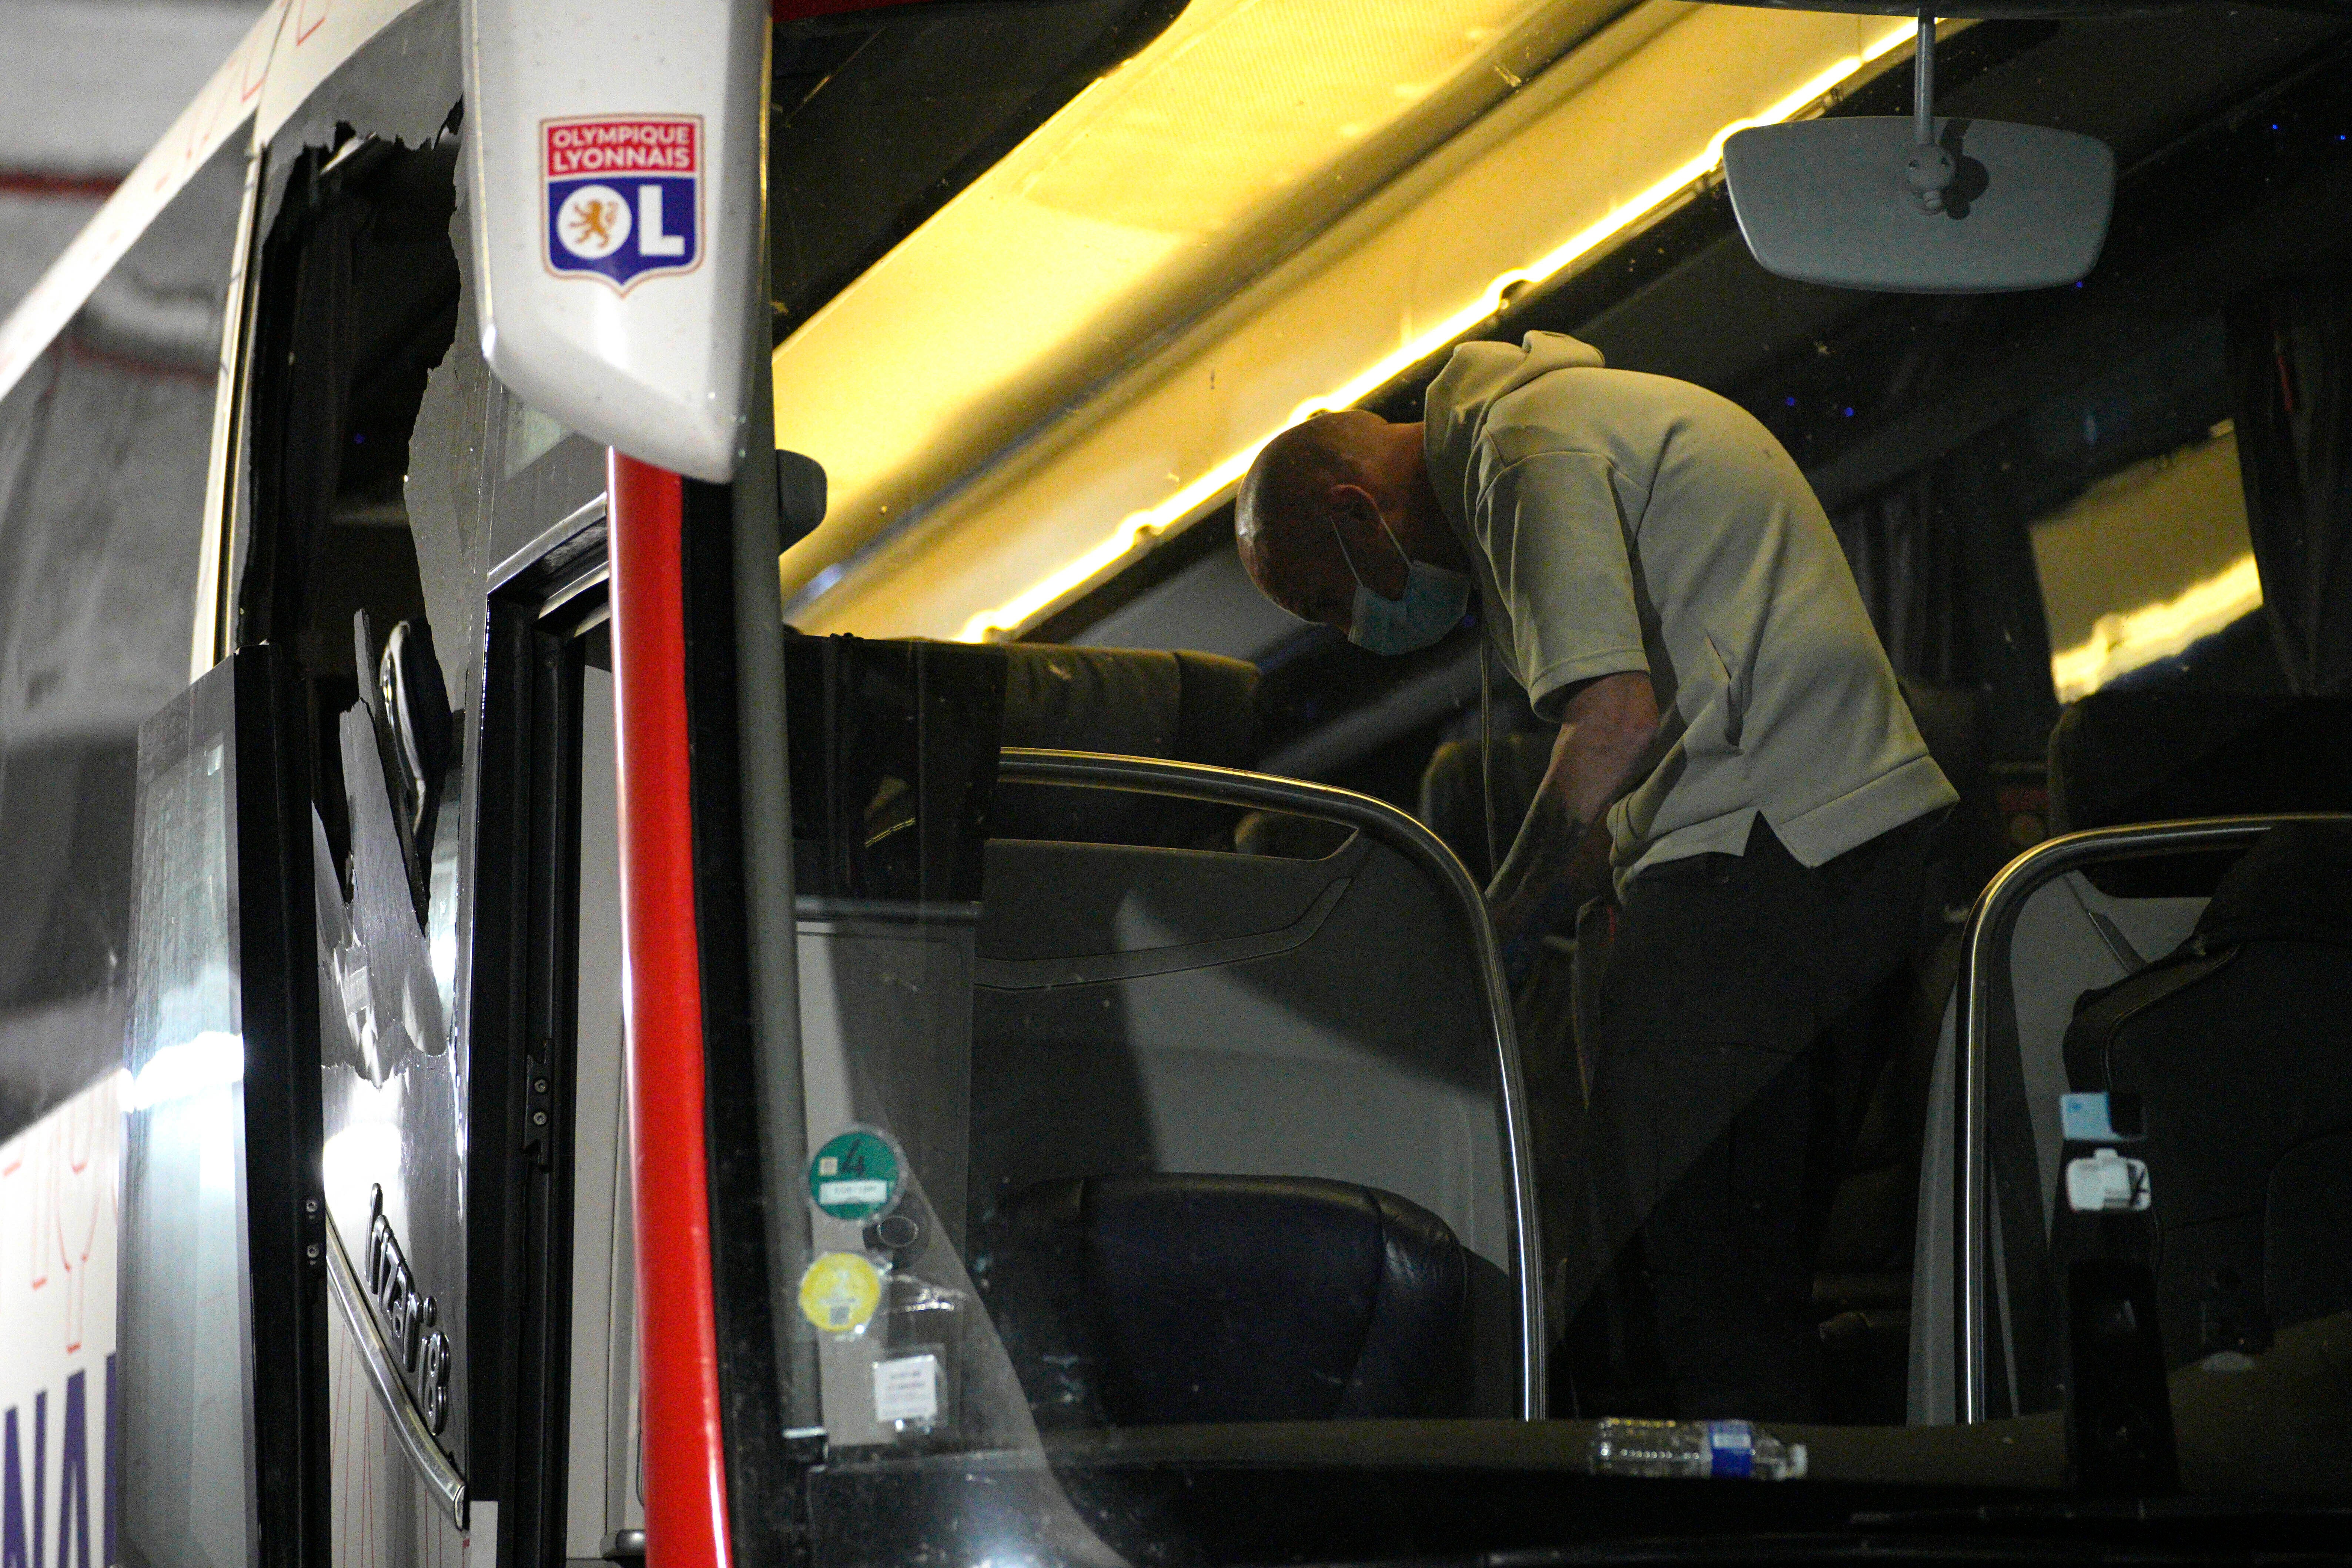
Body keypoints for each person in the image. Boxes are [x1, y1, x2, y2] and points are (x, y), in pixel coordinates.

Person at [1234, 331, 1955, 1419]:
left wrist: (1487, 941)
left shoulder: (1527, 447)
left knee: (1693, 1304)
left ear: (1355, 513)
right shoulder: (1569, 424)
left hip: (1757, 856)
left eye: (1324, 601)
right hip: (1821, 848)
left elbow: (1611, 726)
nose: (1351, 630)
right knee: (1701, 1293)